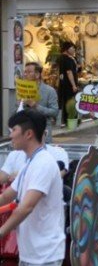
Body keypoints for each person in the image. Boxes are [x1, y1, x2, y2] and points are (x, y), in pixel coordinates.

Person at [0, 109, 65, 265]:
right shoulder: (30, 163)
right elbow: (6, 196)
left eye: (14, 130)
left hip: (45, 255)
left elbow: (26, 207)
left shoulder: (43, 164)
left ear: (28, 134)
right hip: (31, 253)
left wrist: (1, 231)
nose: (11, 136)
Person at [21, 62, 59, 143]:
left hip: (43, 132)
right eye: (25, 72)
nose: (25, 74)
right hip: (26, 131)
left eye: (29, 72)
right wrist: (21, 104)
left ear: (38, 74)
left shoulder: (49, 91)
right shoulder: (23, 90)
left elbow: (55, 112)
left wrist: (35, 106)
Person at [58, 41, 78, 127]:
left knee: (64, 101)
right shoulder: (67, 59)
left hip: (62, 83)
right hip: (68, 84)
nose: (73, 49)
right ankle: (70, 120)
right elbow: (69, 72)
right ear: (67, 48)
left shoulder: (61, 58)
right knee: (70, 102)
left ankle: (63, 121)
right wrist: (73, 85)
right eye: (72, 47)